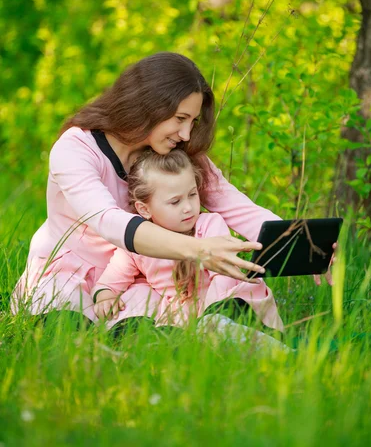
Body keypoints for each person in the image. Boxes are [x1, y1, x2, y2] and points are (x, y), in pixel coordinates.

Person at [11, 52, 336, 322]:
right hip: (71, 277)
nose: (185, 133)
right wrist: (199, 250)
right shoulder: (75, 149)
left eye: (192, 122)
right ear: (148, 105)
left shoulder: (171, 155)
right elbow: (109, 222)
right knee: (67, 330)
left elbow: (235, 206)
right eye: (179, 119)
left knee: (170, 330)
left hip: (135, 282)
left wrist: (303, 244)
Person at [92, 148, 284, 333]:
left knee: (232, 305)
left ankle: (226, 325)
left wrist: (209, 315)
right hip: (176, 311)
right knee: (139, 295)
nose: (188, 208)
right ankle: (131, 334)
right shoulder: (139, 243)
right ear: (144, 209)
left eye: (192, 195)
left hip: (217, 301)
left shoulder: (208, 225)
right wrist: (105, 298)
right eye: (175, 202)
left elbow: (223, 278)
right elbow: (109, 282)